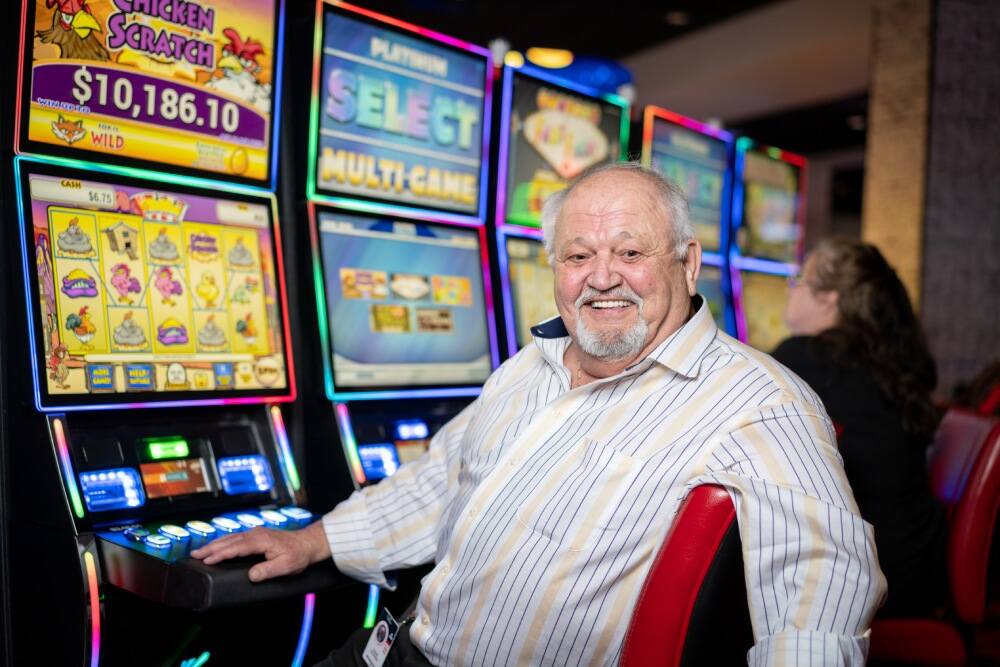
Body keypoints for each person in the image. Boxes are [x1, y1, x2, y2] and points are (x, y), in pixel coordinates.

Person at [193, 163, 885, 665]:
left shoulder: (761, 403)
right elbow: (443, 477)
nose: (602, 275)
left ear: (688, 262)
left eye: (630, 253)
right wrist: (316, 539)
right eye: (578, 255)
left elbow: (816, 594)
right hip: (401, 647)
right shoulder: (534, 363)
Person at [773, 238, 947, 617]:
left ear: (829, 299)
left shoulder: (806, 359)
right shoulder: (885, 361)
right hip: (917, 560)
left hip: (876, 578)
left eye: (800, 278)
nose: (792, 287)